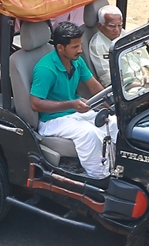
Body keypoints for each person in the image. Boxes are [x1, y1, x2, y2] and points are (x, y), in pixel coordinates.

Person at [31, 24, 116, 178]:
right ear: (60, 48)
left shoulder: (76, 61)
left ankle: (117, 166)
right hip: (52, 120)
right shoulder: (45, 69)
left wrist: (114, 106)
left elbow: (95, 88)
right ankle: (99, 177)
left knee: (113, 122)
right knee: (88, 133)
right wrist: (71, 104)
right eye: (75, 46)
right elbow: (35, 104)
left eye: (80, 45)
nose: (80, 50)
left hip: (74, 113)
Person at [84, 6, 125, 88]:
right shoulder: (97, 45)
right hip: (125, 87)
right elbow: (108, 79)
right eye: (112, 26)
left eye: (120, 25)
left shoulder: (123, 34)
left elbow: (139, 55)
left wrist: (146, 72)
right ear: (100, 26)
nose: (117, 30)